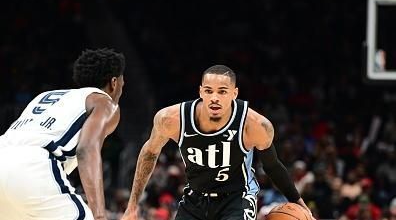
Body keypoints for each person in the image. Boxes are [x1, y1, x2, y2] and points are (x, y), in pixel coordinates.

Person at [122, 64, 313, 220]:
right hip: (195, 197)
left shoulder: (255, 125)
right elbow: (150, 153)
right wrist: (132, 205)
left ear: (234, 93)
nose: (214, 98)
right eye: (209, 91)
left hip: (237, 198)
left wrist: (300, 203)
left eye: (222, 91)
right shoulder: (171, 119)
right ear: (200, 92)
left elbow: (272, 166)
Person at [0, 48, 125, 220]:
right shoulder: (104, 102)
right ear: (114, 83)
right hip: (33, 165)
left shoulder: (44, 96)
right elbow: (86, 150)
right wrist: (100, 215)